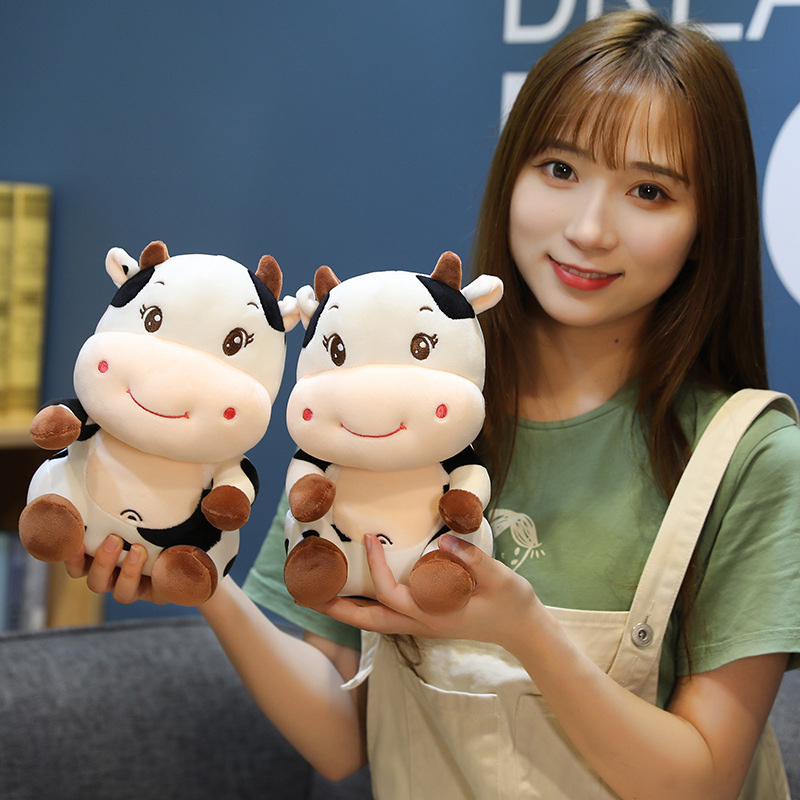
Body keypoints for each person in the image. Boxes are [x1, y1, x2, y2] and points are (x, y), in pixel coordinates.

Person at [67, 10, 800, 799]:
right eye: (559, 169)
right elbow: (340, 741)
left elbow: (702, 782)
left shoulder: (749, 457)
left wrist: (522, 630)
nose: (589, 229)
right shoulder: (380, 402)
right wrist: (206, 580)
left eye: (649, 191)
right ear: (511, 173)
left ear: (706, 223)